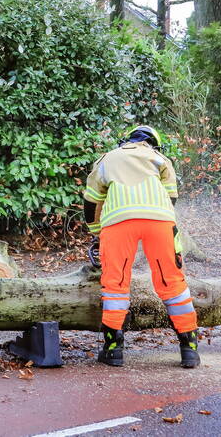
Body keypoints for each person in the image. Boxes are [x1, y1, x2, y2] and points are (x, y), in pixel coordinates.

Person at [83, 125, 200, 369]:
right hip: (160, 220)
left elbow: (91, 200)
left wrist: (96, 233)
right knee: (172, 281)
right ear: (153, 143)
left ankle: (113, 349)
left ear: (126, 140)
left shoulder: (107, 159)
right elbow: (171, 198)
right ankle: (189, 348)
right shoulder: (160, 158)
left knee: (115, 284)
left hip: (118, 222)